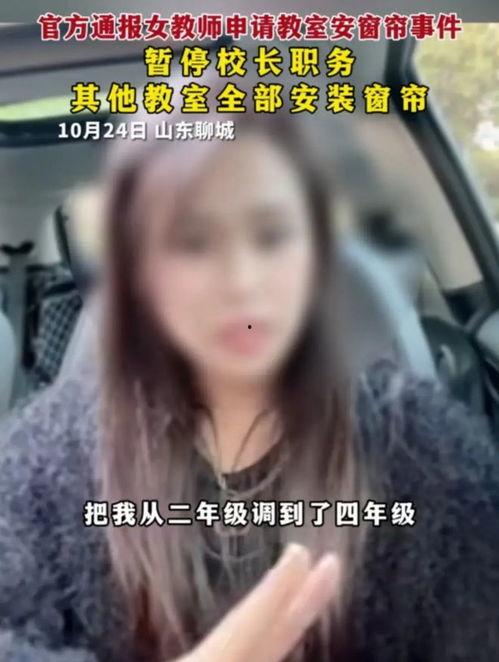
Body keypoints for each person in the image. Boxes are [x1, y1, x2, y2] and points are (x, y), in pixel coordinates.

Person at [0, 85, 498, 662]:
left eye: (272, 235)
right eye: (193, 241)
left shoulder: (428, 456)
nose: (241, 282)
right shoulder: (49, 462)